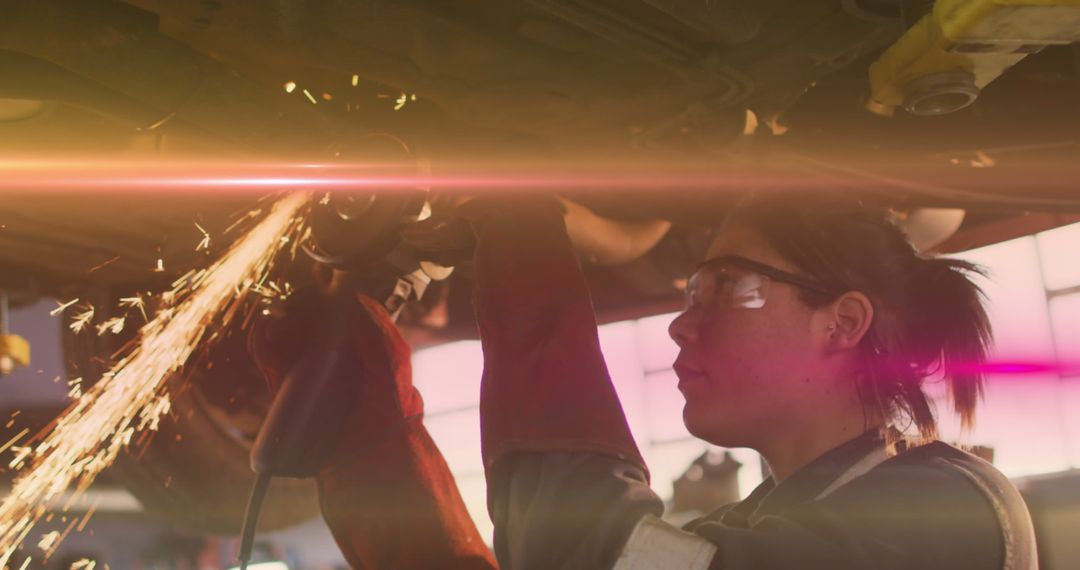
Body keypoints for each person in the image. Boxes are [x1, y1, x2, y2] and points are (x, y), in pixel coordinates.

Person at [250, 192, 1036, 569]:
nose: (680, 323)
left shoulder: (953, 511)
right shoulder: (768, 527)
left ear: (843, 321)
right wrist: (367, 433)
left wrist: (521, 238)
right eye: (689, 291)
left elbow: (591, 556)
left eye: (727, 285)